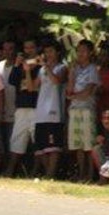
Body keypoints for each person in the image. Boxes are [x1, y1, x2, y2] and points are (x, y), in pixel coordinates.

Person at [5, 38, 41, 177]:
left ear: (36, 49)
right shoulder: (20, 65)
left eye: (31, 47)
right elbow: (12, 81)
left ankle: (35, 172)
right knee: (17, 139)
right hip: (21, 106)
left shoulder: (40, 66)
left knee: (37, 140)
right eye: (26, 48)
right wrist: (17, 64)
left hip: (36, 106)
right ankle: (10, 170)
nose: (29, 50)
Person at [32, 39, 67, 179]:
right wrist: (28, 71)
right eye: (46, 52)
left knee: (53, 147)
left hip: (54, 111)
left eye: (51, 51)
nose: (48, 54)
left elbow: (57, 81)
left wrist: (46, 66)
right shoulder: (41, 70)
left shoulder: (61, 68)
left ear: (58, 52)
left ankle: (51, 174)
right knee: (41, 147)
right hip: (40, 112)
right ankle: (48, 174)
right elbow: (33, 87)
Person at [66, 39, 100, 182]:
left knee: (88, 144)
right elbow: (68, 90)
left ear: (90, 52)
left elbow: (89, 91)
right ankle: (81, 173)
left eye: (83, 50)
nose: (80, 53)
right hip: (74, 108)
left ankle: (90, 175)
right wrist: (72, 72)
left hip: (87, 108)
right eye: (78, 50)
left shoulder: (92, 69)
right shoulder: (76, 69)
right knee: (78, 144)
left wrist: (74, 95)